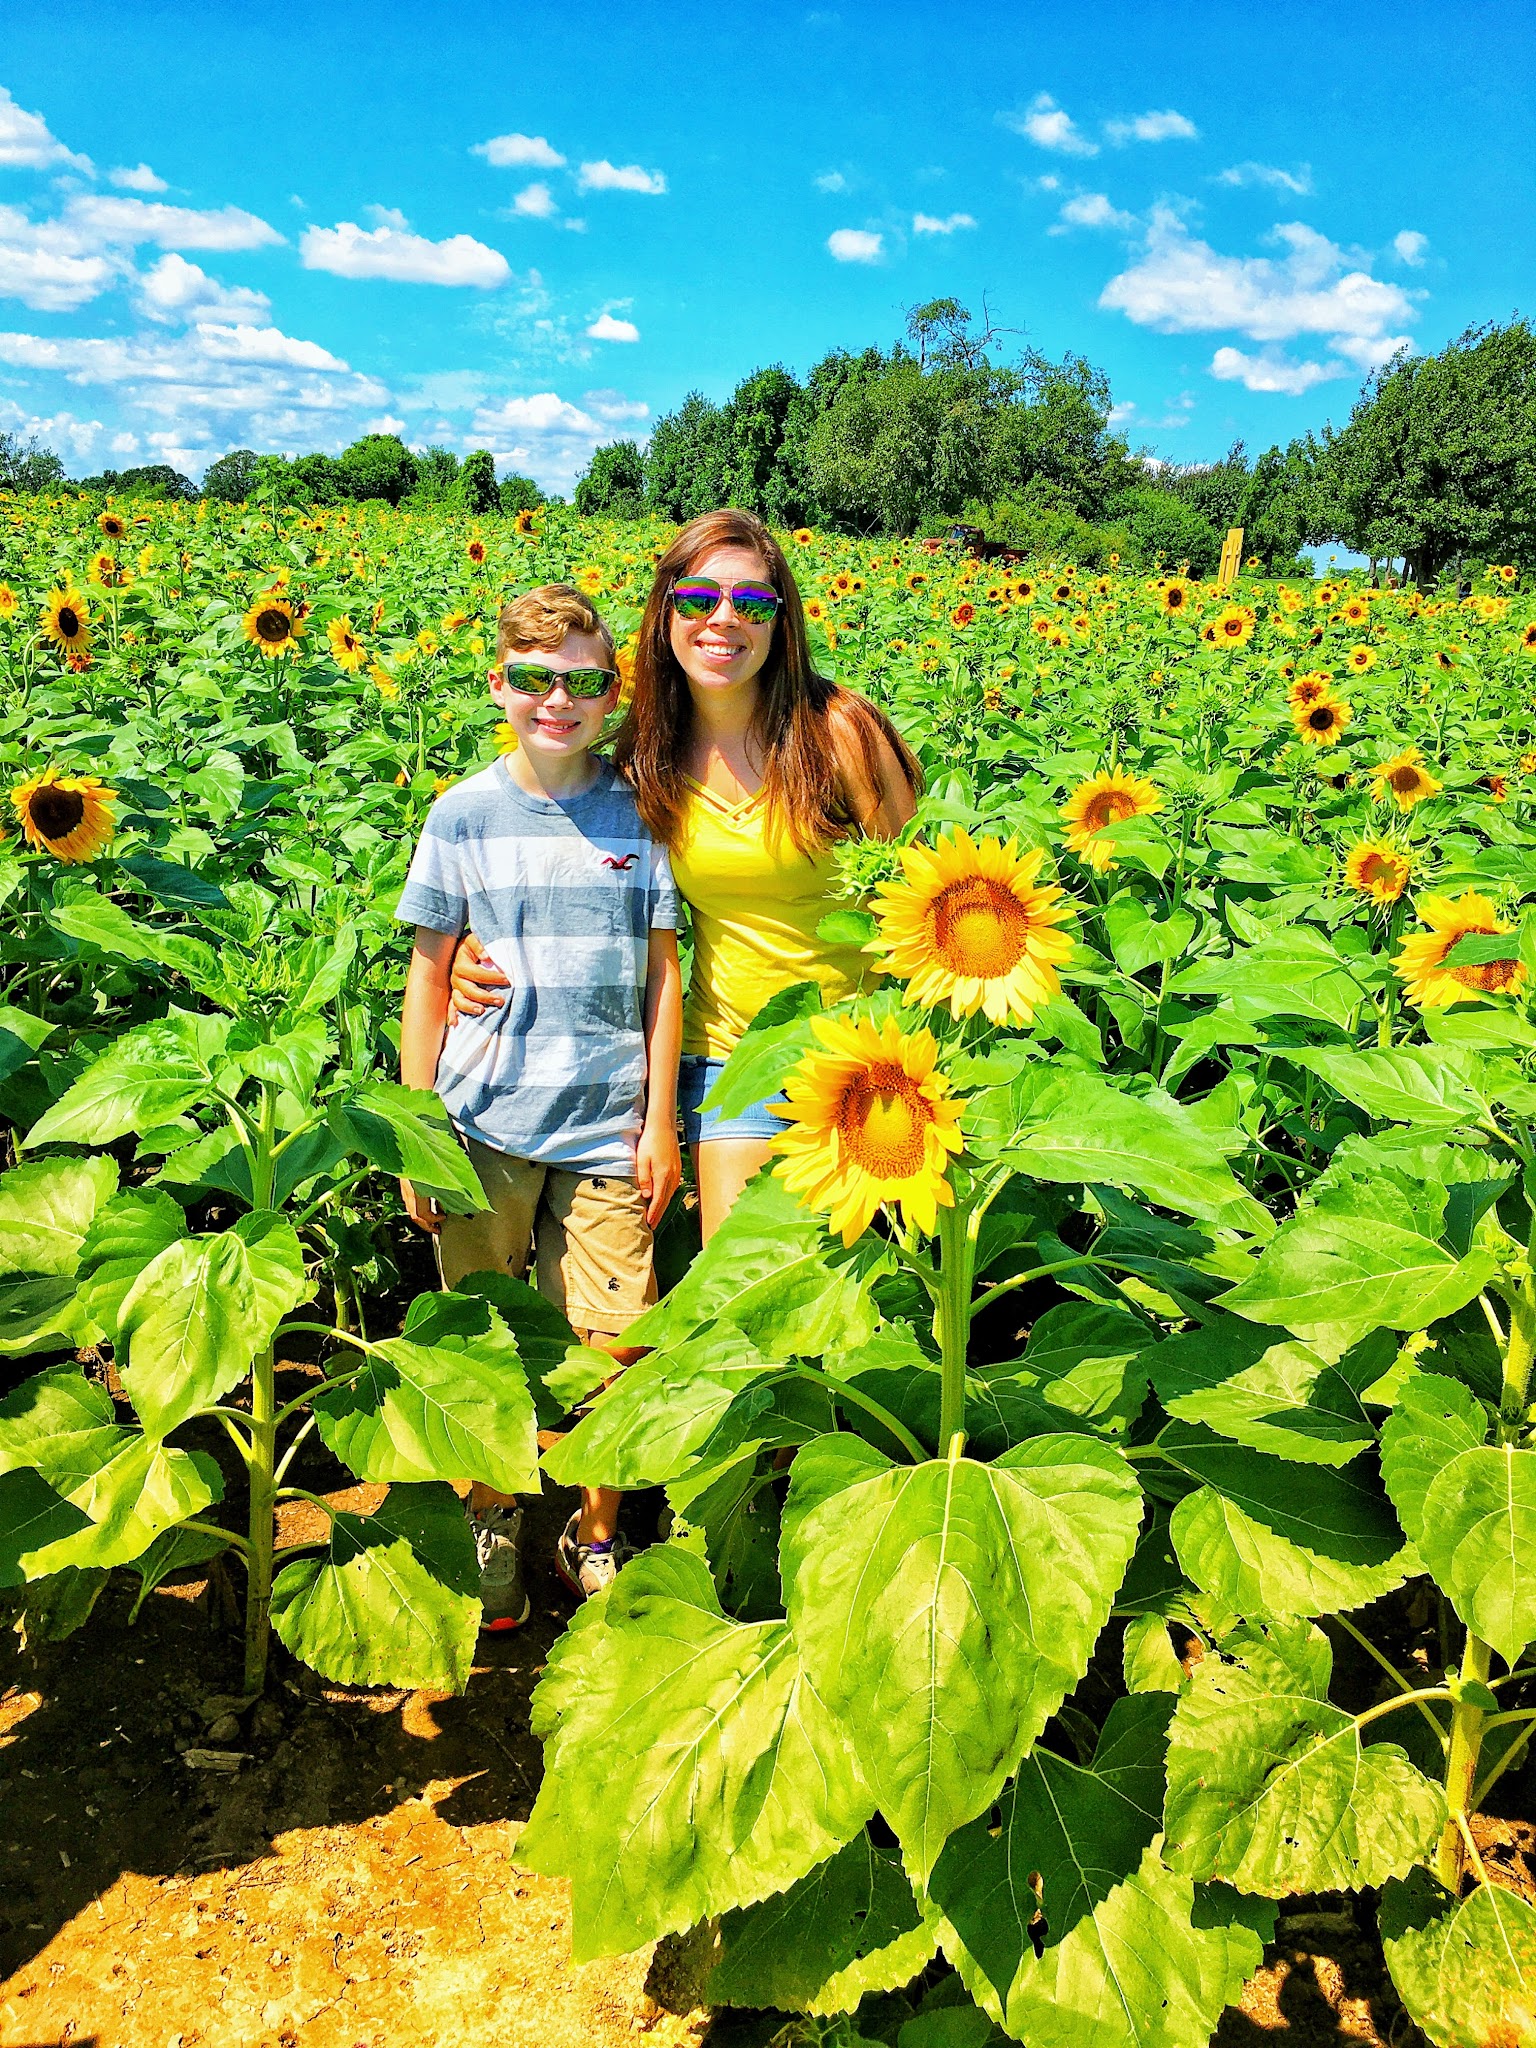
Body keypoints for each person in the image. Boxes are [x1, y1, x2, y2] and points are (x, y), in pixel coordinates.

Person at [450, 509, 918, 1244]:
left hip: (873, 1054)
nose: (723, 619)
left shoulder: (837, 733)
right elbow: (571, 863)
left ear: (782, 622)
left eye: (753, 602)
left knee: (869, 1285)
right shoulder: (650, 752)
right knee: (743, 1278)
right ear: (666, 612)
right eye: (699, 598)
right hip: (735, 1052)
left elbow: (921, 893)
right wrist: (466, 953)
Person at [395, 584, 683, 1622]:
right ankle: (491, 1513)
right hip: (483, 1122)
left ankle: (592, 1531)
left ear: (612, 694)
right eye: (533, 678)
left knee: (617, 1340)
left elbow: (663, 973)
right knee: (479, 1339)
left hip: (608, 1121)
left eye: (583, 682)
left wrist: (660, 1122)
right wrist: (415, 1133)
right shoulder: (462, 814)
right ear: (498, 684)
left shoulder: (641, 810)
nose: (557, 700)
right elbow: (429, 973)